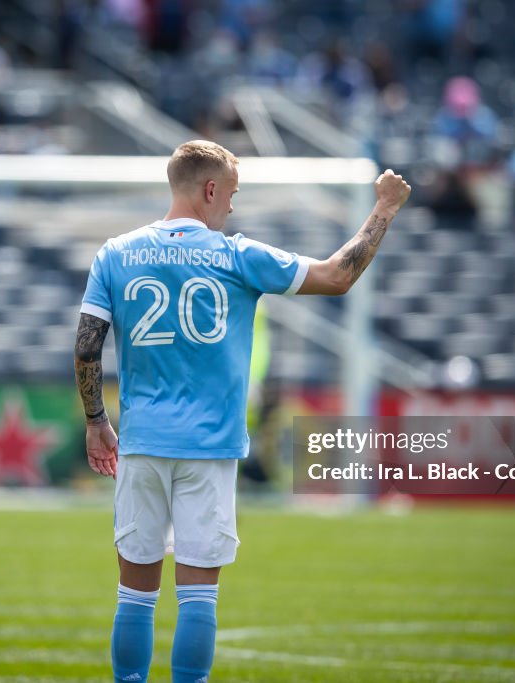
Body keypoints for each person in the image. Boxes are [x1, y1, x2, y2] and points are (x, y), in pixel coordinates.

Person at [74, 140, 410, 682]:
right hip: (208, 450)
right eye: (230, 193)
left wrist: (96, 422)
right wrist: (385, 208)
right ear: (210, 190)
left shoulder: (114, 253)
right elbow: (336, 276)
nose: (231, 206)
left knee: (133, 596)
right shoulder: (237, 255)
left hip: (140, 443)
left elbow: (88, 344)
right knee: (198, 598)